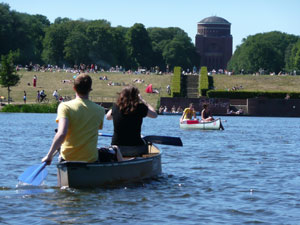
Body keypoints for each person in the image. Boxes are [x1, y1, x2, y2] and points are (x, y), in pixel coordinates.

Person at [42, 74, 114, 165]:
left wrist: (49, 155)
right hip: (90, 159)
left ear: (74, 88)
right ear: (90, 89)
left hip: (68, 159)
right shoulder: (100, 110)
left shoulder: (64, 106)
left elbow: (61, 134)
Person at [106, 86, 157, 157]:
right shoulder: (140, 107)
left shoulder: (115, 107)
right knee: (147, 144)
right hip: (136, 148)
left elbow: (108, 117)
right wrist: (143, 100)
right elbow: (154, 114)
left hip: (117, 149)